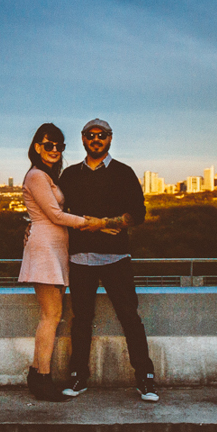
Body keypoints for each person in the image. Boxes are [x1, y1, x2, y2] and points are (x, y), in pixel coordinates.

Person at [18, 123, 119, 402]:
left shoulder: (47, 176)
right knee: (51, 317)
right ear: (37, 147)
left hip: (54, 247)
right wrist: (95, 224)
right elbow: (56, 215)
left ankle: (37, 374)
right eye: (48, 145)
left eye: (59, 146)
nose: (54, 150)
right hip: (46, 249)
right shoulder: (37, 176)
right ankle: (42, 379)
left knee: (50, 316)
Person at [58, 118, 158, 402]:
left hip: (116, 258)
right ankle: (78, 377)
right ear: (82, 139)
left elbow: (137, 214)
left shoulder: (123, 173)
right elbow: (58, 212)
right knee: (81, 321)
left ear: (111, 139)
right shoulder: (70, 175)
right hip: (79, 259)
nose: (96, 139)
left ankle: (146, 378)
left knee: (130, 318)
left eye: (102, 135)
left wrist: (101, 222)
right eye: (91, 135)